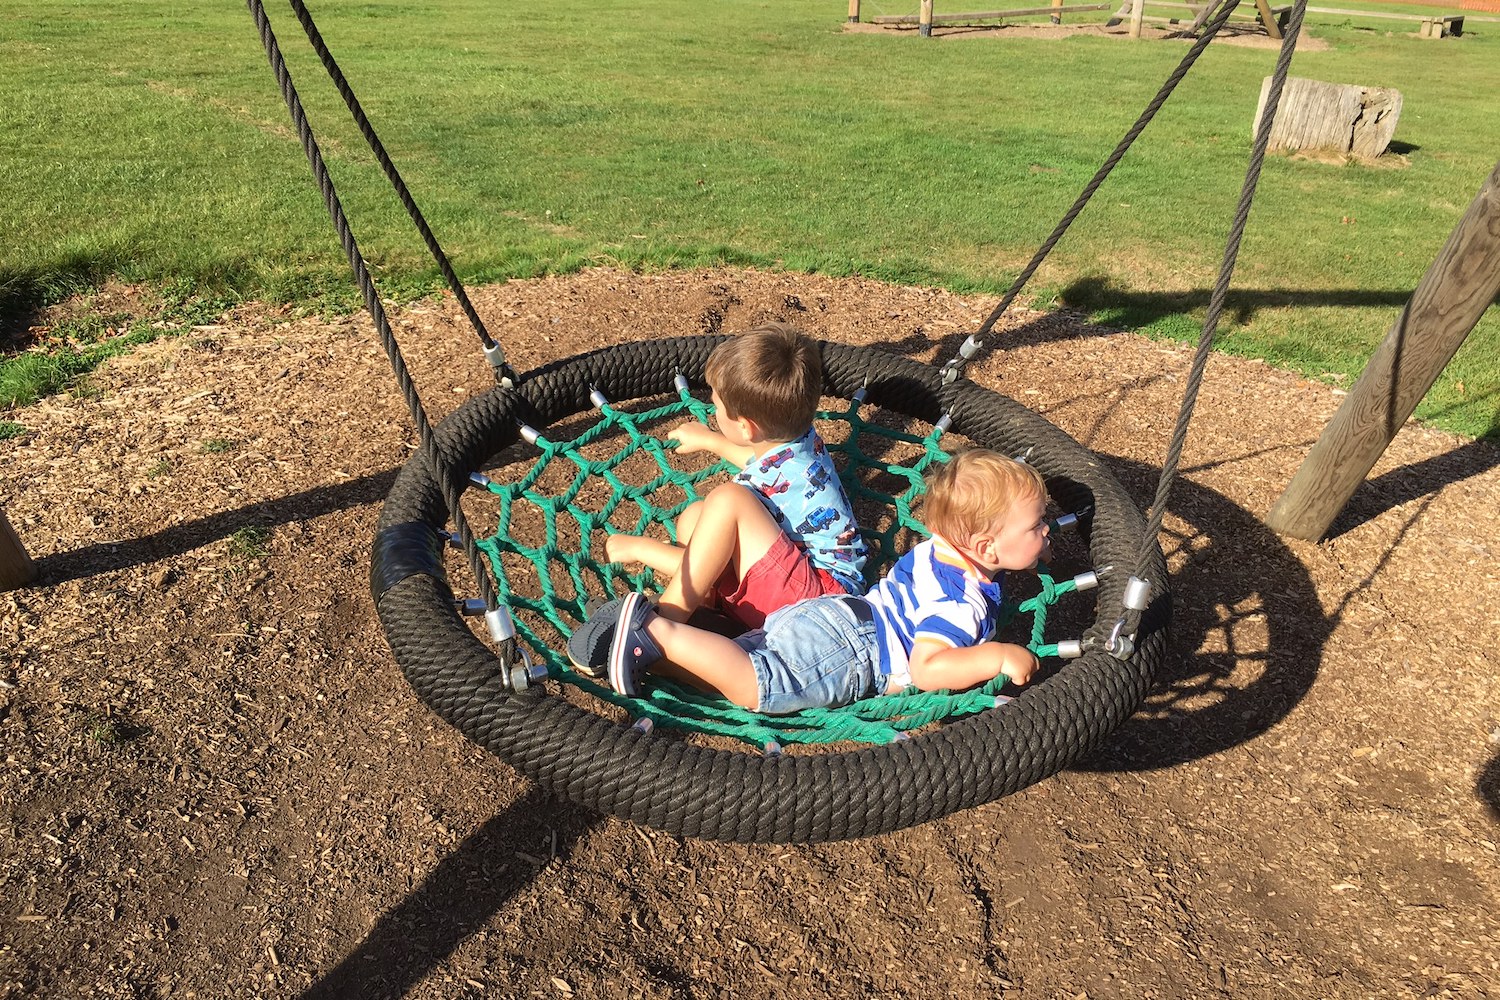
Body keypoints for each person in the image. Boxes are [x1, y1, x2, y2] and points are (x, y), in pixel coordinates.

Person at [571, 448, 1053, 714]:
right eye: (1037, 526)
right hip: (856, 651)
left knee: (735, 669)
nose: (1047, 530)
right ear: (986, 549)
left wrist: (1030, 540)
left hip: (833, 615)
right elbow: (928, 668)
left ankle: (641, 647)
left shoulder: (938, 549)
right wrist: (997, 654)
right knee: (759, 686)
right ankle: (655, 630)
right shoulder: (960, 600)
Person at [603, 322, 867, 630]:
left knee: (726, 502)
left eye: (716, 405)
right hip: (807, 586)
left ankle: (664, 624)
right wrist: (712, 440)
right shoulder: (799, 441)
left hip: (817, 611)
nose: (712, 410)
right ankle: (713, 604)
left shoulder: (771, 475)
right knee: (694, 517)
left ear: (745, 426)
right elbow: (764, 462)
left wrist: (642, 549)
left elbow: (749, 488)